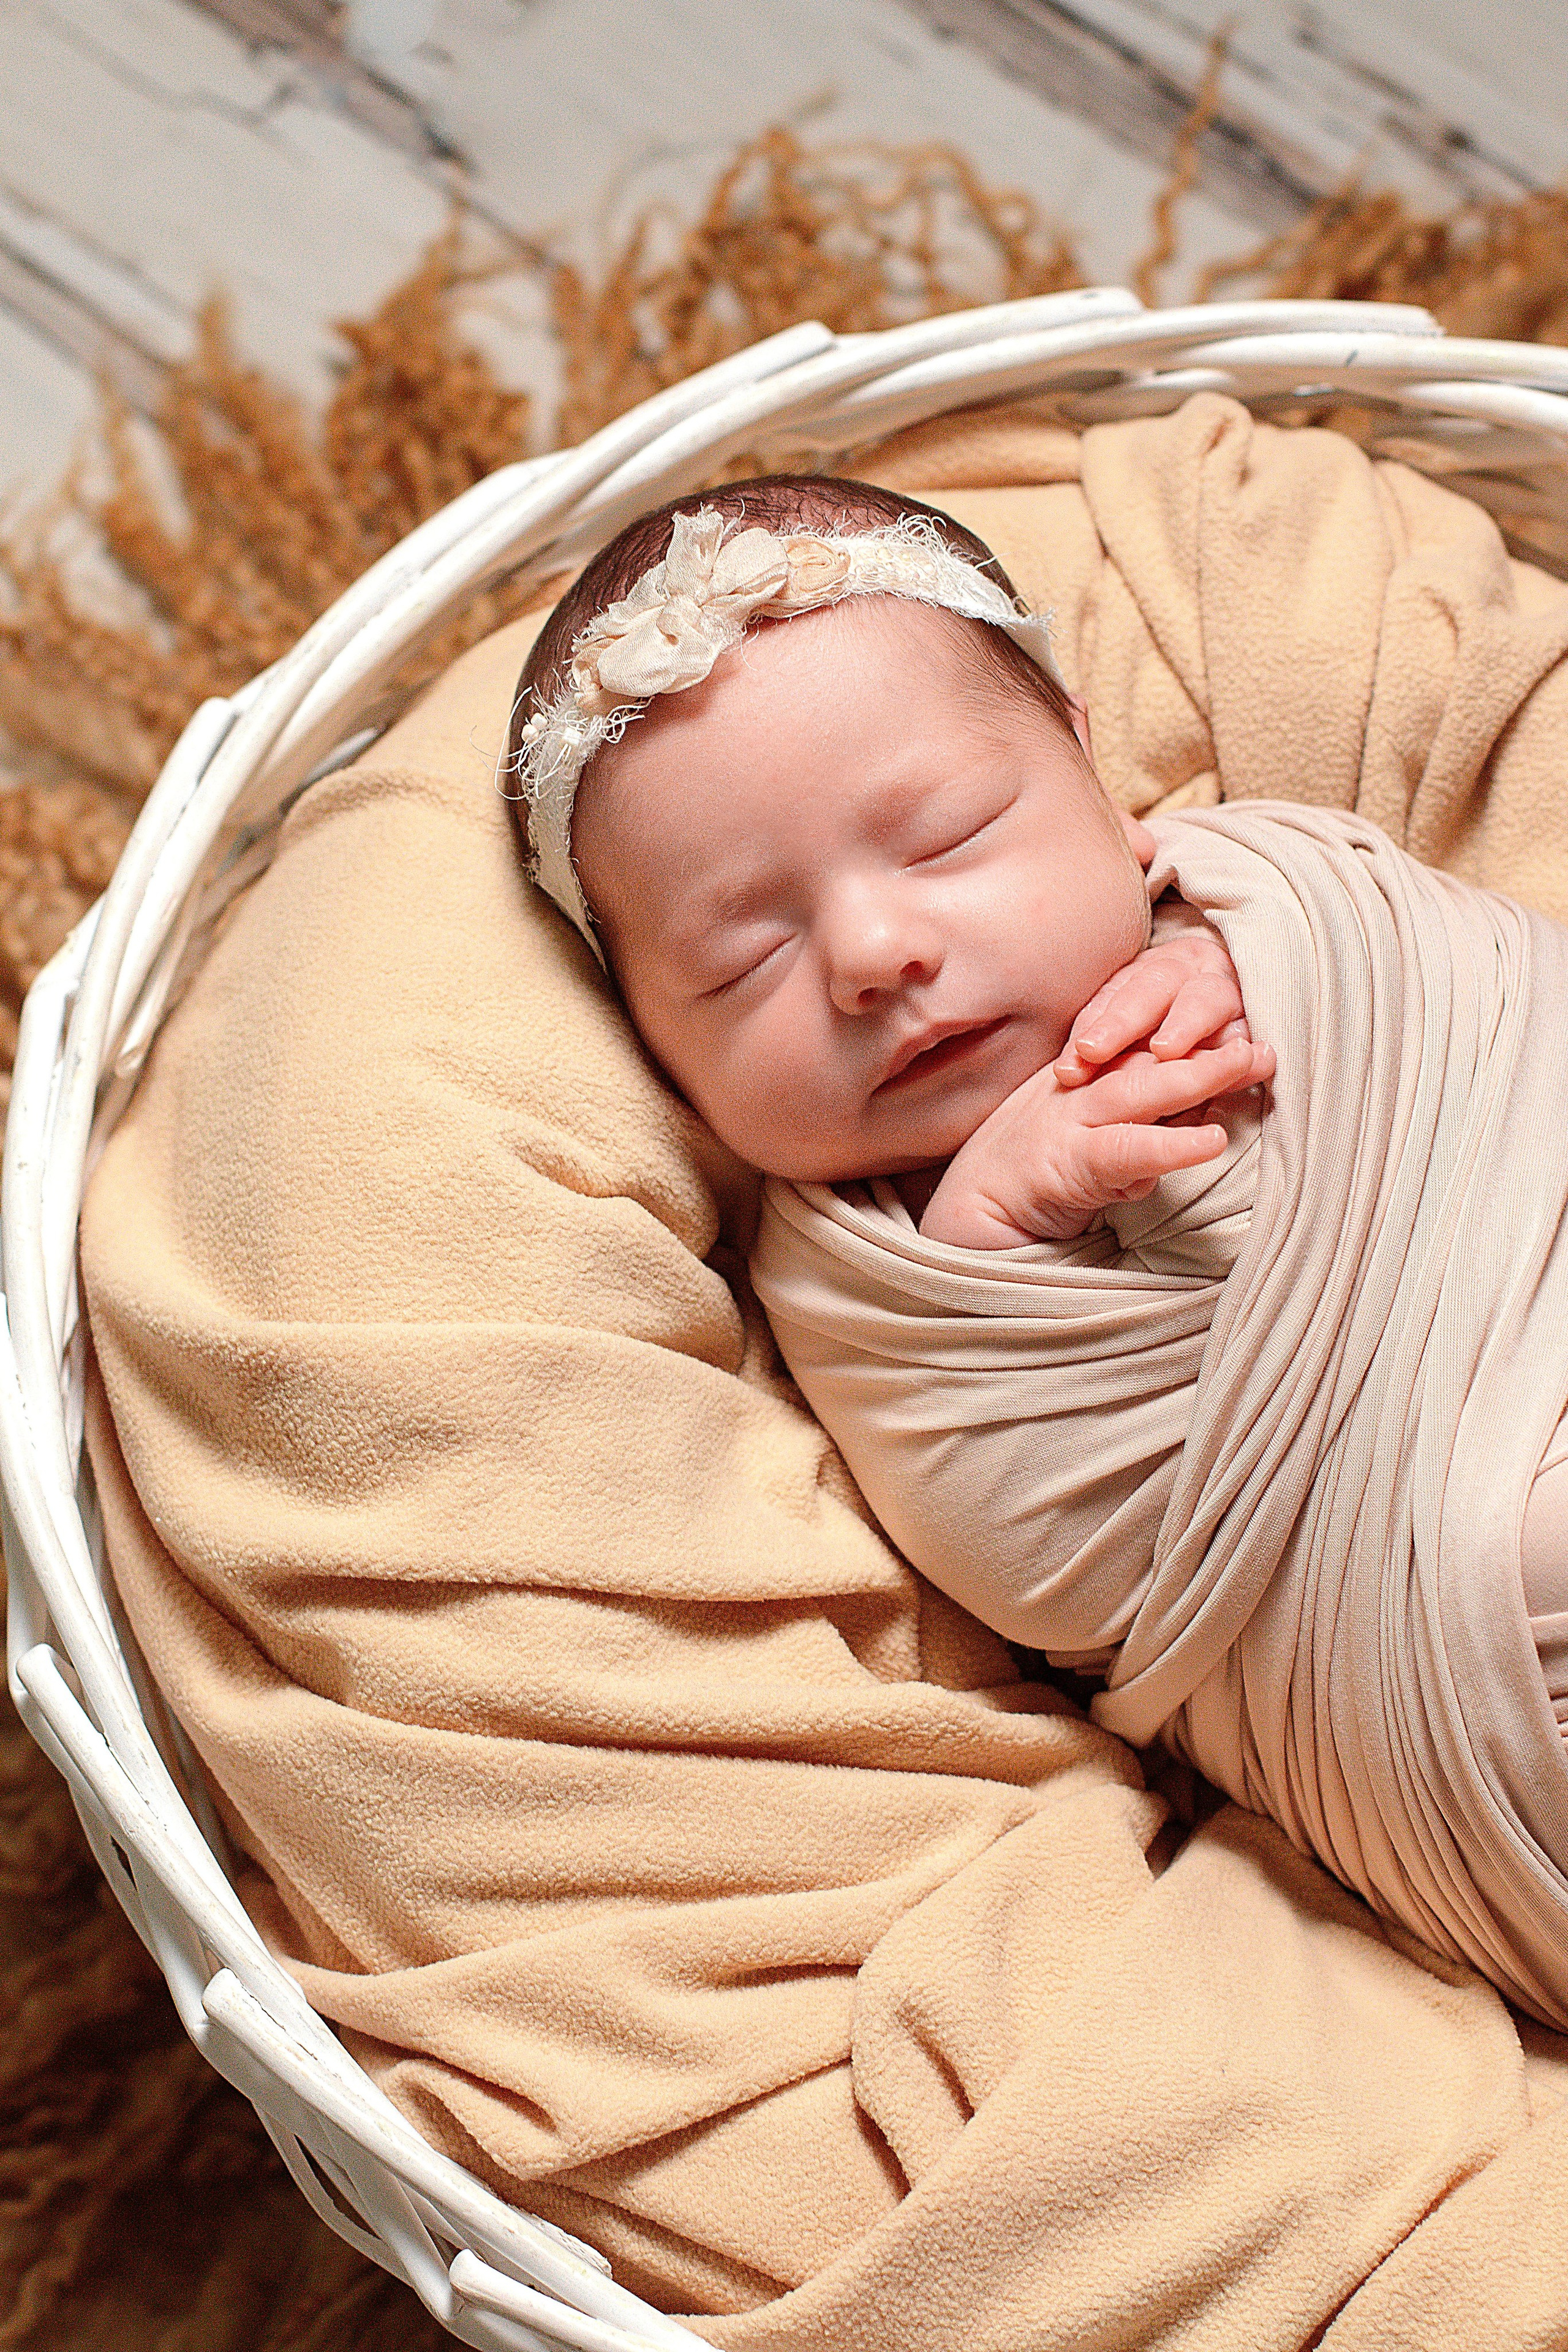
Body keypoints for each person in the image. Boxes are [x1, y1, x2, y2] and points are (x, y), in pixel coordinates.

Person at [502, 473, 1568, 2029]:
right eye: (745, 958)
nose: (874, 955)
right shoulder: (856, 1281)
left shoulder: (1298, 899)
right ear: (658, 1054)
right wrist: (991, 1225)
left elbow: (1498, 1006)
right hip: (1464, 1701)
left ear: (1086, 768)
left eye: (944, 838)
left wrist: (1260, 970)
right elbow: (1051, 1573)